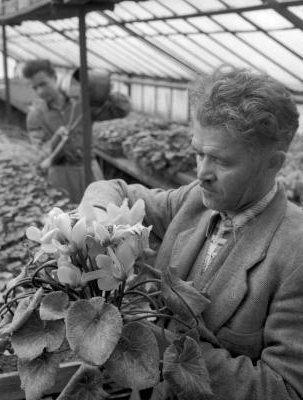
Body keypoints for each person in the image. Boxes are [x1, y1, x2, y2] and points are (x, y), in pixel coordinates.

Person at [80, 67, 303, 400]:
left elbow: (284, 389)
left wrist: (164, 349)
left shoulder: (294, 254)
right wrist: (99, 225)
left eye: (221, 161)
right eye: (199, 152)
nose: (201, 173)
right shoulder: (194, 200)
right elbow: (112, 188)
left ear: (274, 163)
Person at [22, 59, 130, 203]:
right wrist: (56, 139)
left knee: (99, 213)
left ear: (54, 78)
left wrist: (105, 91)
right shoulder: (36, 115)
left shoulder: (81, 101)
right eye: (35, 88)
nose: (40, 91)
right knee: (66, 216)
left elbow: (121, 110)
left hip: (88, 169)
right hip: (59, 174)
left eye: (43, 84)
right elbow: (40, 152)